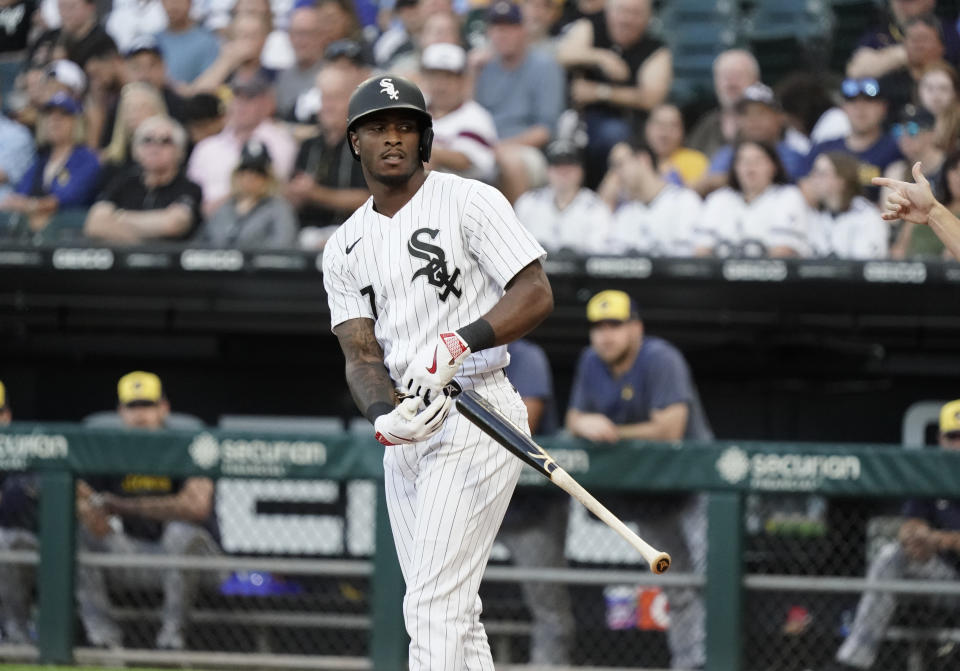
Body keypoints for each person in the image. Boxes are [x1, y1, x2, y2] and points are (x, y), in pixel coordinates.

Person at [322, 74, 553, 671]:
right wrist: (383, 414)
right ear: (355, 142)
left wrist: (462, 339)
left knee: (432, 606)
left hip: (478, 408)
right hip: (412, 424)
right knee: (449, 608)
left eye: (405, 127)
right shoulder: (344, 245)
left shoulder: (469, 199)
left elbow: (534, 292)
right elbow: (360, 355)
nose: (392, 139)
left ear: (425, 138)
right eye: (378, 128)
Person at [565, 289, 708, 671]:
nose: (605, 335)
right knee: (677, 588)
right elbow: (573, 419)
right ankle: (690, 664)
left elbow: (670, 429)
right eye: (598, 326)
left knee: (713, 581)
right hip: (652, 494)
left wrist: (613, 432)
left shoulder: (661, 358)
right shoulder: (591, 361)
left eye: (615, 325)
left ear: (636, 328)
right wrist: (584, 422)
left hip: (698, 487)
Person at [74, 371, 221, 650]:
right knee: (79, 535)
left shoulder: (188, 443)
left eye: (147, 406)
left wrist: (125, 507)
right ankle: (104, 642)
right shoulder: (107, 449)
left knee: (181, 533)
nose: (140, 415)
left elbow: (196, 507)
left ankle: (171, 641)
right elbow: (81, 494)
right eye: (133, 407)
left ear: (163, 408)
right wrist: (89, 508)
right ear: (121, 412)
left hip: (200, 562)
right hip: (137, 554)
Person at [830, 398, 960, 671]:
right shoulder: (931, 474)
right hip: (944, 579)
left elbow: (939, 539)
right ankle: (853, 662)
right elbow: (911, 523)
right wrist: (915, 537)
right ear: (941, 439)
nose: (959, 444)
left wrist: (936, 539)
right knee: (892, 555)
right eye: (954, 436)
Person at [497, 339, 575, 665]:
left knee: (547, 606)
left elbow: (522, 424)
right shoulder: (454, 353)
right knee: (448, 597)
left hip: (528, 509)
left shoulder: (525, 355)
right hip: (471, 503)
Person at [555, 0, 671, 187]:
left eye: (635, 13)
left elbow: (651, 98)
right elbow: (562, 54)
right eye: (622, 11)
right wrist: (602, 57)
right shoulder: (591, 27)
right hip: (578, 118)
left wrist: (600, 92)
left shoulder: (655, 49)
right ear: (608, 11)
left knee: (615, 135)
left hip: (629, 123)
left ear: (648, 18)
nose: (627, 19)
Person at [474, 0, 565, 203]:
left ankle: (516, 231)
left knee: (510, 162)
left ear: (524, 30)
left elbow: (545, 130)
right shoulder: (484, 67)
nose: (503, 34)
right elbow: (468, 113)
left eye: (510, 28)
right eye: (497, 28)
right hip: (486, 147)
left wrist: (499, 148)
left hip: (527, 150)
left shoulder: (545, 66)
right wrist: (471, 72)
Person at [187, 72, 296, 215]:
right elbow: (191, 195)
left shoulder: (280, 142)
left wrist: (220, 206)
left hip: (257, 223)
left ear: (267, 103)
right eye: (237, 97)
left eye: (250, 98)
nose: (241, 105)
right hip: (206, 227)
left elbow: (269, 191)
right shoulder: (206, 147)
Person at [84, 115, 203, 243]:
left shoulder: (189, 187)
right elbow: (94, 223)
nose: (155, 147)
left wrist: (119, 216)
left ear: (180, 152)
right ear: (136, 150)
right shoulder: (124, 182)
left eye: (165, 141)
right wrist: (138, 245)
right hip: (122, 260)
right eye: (147, 140)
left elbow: (173, 224)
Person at [287, 65, 368, 249]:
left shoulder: (367, 144)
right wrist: (294, 194)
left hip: (356, 234)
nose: (328, 106)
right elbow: (292, 193)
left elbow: (372, 199)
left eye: (336, 98)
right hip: (306, 234)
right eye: (324, 99)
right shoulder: (309, 145)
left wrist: (316, 193)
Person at [0, 93, 101, 237]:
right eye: (49, 115)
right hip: (35, 238)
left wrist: (31, 206)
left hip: (73, 238)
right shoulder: (41, 161)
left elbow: (67, 198)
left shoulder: (87, 159)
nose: (55, 120)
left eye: (64, 115)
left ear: (77, 122)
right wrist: (28, 205)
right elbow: (17, 196)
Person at [695, 140, 811, 258]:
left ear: (773, 166)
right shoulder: (719, 199)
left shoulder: (788, 196)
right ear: (735, 168)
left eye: (758, 161)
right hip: (718, 276)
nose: (750, 168)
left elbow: (783, 252)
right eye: (744, 161)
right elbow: (701, 251)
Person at [802, 77, 902, 203]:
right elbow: (805, 191)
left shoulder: (896, 150)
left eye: (868, 101)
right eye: (852, 102)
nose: (860, 108)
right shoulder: (824, 149)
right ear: (843, 108)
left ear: (883, 107)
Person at [697, 83, 807, 196]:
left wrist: (730, 179)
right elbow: (707, 184)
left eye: (761, 113)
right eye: (746, 114)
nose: (753, 120)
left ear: (779, 118)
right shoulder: (728, 152)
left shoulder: (793, 153)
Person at [513, 138, 612, 255]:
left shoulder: (596, 208)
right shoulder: (527, 203)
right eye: (558, 165)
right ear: (548, 170)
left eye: (569, 165)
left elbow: (598, 256)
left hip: (579, 273)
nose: (564, 172)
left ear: (581, 170)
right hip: (535, 271)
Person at [604, 141, 702, 257]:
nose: (616, 175)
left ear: (643, 160)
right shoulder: (625, 214)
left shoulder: (684, 201)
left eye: (620, 165)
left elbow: (693, 259)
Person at [196, 138, 297, 247]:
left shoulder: (279, 208)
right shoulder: (224, 207)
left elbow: (283, 245)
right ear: (236, 174)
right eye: (244, 171)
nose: (250, 177)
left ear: (269, 177)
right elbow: (199, 243)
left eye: (258, 172)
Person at [421, 43, 499, 183]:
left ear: (463, 80)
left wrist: (424, 150)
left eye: (448, 77)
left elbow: (467, 161)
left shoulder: (475, 115)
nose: (441, 85)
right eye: (435, 76)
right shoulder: (415, 109)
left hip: (464, 194)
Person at [806, 152, 889, 259]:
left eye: (821, 174)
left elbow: (864, 266)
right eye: (814, 172)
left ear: (841, 180)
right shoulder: (815, 213)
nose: (814, 179)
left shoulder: (867, 216)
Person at [873, 159, 960, 259]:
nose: (958, 178)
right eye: (955, 170)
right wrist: (930, 211)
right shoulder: (929, 209)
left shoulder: (933, 210)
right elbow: (899, 250)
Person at [687, 49, 760, 159]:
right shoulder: (707, 125)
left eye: (737, 75)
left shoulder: (768, 125)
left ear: (755, 80)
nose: (730, 83)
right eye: (724, 76)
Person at [876, 13, 948, 119]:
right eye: (913, 40)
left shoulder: (954, 81)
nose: (918, 45)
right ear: (904, 45)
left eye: (924, 39)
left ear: (941, 47)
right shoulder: (888, 84)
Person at [275, 5, 326, 120]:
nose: (301, 41)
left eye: (307, 33)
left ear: (322, 36)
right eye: (296, 34)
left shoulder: (332, 76)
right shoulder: (283, 76)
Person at [154, 0, 222, 87]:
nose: (171, 6)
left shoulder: (207, 42)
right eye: (166, 1)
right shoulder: (153, 40)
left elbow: (208, 86)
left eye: (177, 1)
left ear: (190, 3)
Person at [644, 103, 708, 187]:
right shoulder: (637, 161)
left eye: (672, 126)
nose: (664, 133)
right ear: (647, 128)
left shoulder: (695, 161)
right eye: (659, 124)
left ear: (682, 131)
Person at [917, 60, 960, 151]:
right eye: (929, 88)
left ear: (955, 93)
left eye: (943, 89)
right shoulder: (913, 118)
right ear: (919, 90)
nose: (936, 97)